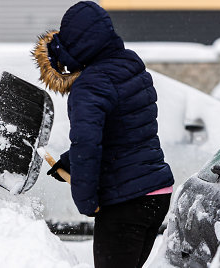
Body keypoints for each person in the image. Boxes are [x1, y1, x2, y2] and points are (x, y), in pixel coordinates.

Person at [32, 2, 174, 267]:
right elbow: (122, 130)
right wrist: (69, 161)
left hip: (126, 203)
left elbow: (88, 143)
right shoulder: (130, 66)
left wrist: (87, 201)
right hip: (156, 194)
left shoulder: (90, 84)